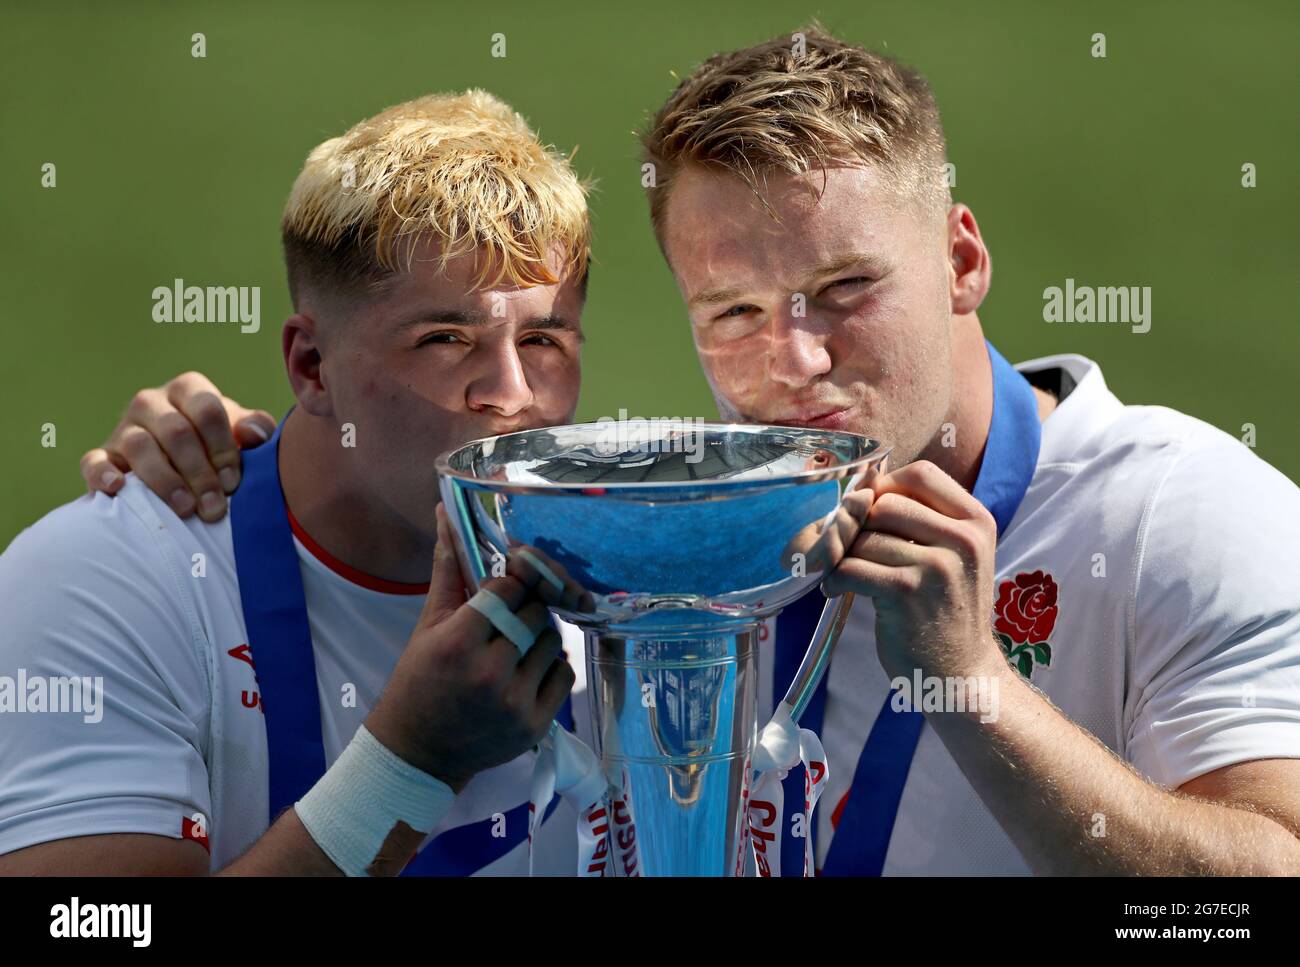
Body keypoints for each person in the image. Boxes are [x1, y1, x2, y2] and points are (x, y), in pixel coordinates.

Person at [77, 28, 1300, 874]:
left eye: (844, 288)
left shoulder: (1178, 514)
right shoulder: (678, 521)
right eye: (733, 312)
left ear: (962, 261)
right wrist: (222, 447)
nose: (797, 360)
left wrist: (975, 690)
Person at [0, 90, 595, 876]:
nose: (510, 391)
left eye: (542, 336)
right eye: (445, 338)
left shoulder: (642, 562)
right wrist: (410, 762)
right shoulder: (100, 578)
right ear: (312, 366)